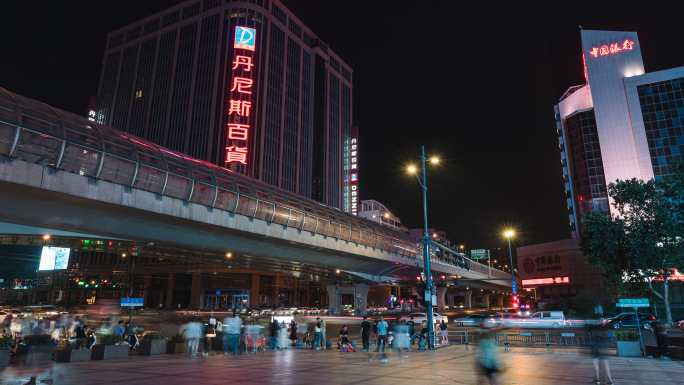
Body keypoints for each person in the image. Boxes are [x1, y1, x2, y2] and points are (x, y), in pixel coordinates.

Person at [475, 320, 503, 385]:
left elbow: (495, 352)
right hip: (485, 363)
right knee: (488, 380)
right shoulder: (483, 339)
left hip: (491, 363)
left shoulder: (491, 340)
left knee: (492, 380)